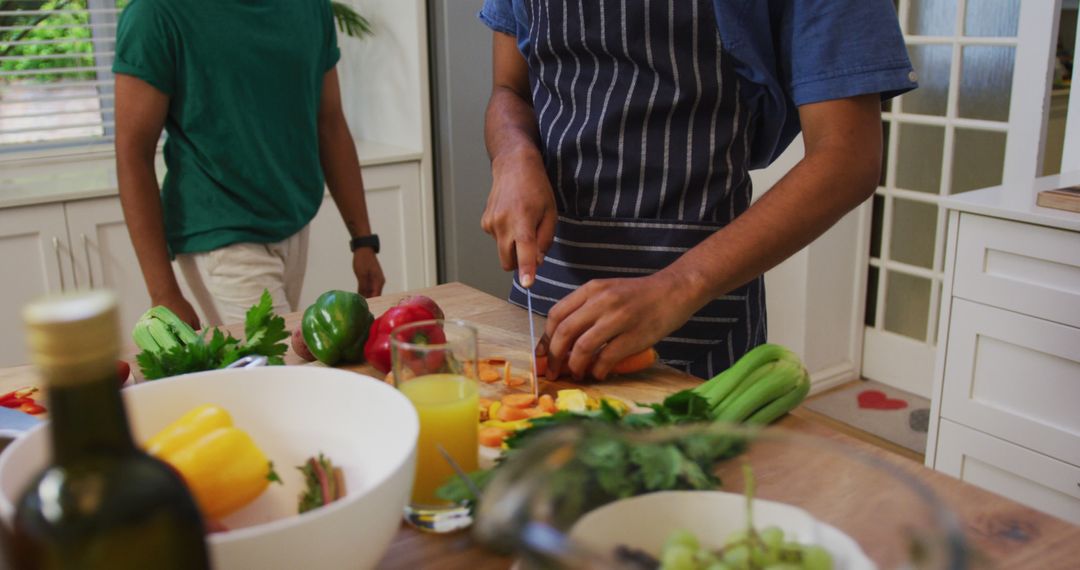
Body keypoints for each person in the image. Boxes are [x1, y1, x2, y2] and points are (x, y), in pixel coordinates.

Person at [478, 0, 916, 380]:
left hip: (697, 325)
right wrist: (514, 155)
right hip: (543, 307)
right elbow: (509, 89)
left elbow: (848, 157)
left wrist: (677, 286)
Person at [113, 0, 385, 329]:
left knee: (263, 368)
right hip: (221, 233)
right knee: (274, 371)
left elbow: (329, 123)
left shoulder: (310, 8)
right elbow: (132, 153)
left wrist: (363, 242)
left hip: (294, 221)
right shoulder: (157, 13)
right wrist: (163, 293)